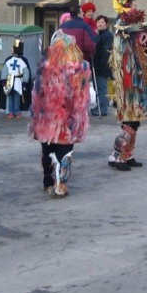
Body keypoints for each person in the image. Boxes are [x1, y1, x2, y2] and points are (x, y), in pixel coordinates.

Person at [29, 32, 91, 197]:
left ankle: (51, 181)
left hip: (51, 118)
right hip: (59, 118)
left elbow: (37, 94)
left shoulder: (45, 66)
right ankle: (57, 183)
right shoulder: (79, 67)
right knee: (61, 151)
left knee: (50, 149)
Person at [108, 8, 147, 171]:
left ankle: (127, 155)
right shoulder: (122, 41)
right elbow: (126, 65)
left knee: (135, 121)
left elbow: (145, 57)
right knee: (129, 121)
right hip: (129, 87)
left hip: (137, 86)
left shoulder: (134, 40)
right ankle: (117, 155)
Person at [0, 42, 31, 118]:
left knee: (14, 96)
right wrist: (24, 81)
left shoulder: (10, 61)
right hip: (12, 80)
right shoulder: (21, 61)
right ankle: (13, 112)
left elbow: (4, 71)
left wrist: (4, 80)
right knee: (13, 96)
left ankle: (14, 112)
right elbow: (26, 72)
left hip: (15, 80)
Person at [91, 14, 113, 117]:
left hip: (102, 67)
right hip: (97, 65)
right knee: (98, 87)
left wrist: (102, 65)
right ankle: (99, 106)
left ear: (106, 24)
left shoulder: (107, 35)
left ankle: (103, 108)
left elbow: (106, 52)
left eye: (102, 22)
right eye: (98, 22)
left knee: (102, 88)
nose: (100, 24)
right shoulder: (99, 34)